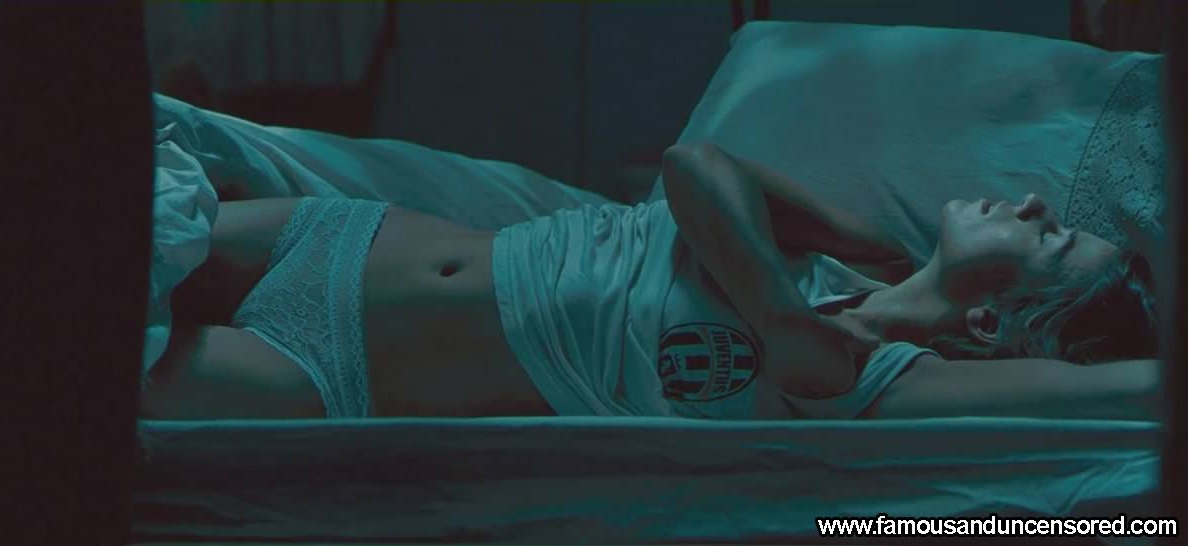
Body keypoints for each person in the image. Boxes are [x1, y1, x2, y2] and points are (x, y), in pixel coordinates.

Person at [140, 143, 1160, 421]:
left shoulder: (873, 380)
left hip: (337, 369)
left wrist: (803, 342)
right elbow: (695, 167)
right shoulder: (856, 254)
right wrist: (779, 313)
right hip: (334, 239)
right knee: (91, 234)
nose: (1035, 201)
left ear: (987, 326)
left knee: (76, 364)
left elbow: (1139, 389)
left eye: (1054, 241)